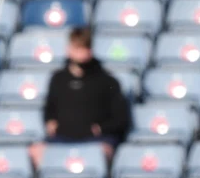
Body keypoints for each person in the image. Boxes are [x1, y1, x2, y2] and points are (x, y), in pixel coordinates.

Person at [29, 27, 131, 168]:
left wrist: (100, 129)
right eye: (78, 48)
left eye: (85, 48)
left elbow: (120, 118)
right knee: (36, 150)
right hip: (62, 136)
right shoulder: (58, 79)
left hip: (95, 139)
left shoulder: (108, 81)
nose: (82, 54)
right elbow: (49, 109)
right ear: (69, 49)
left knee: (103, 152)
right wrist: (50, 122)